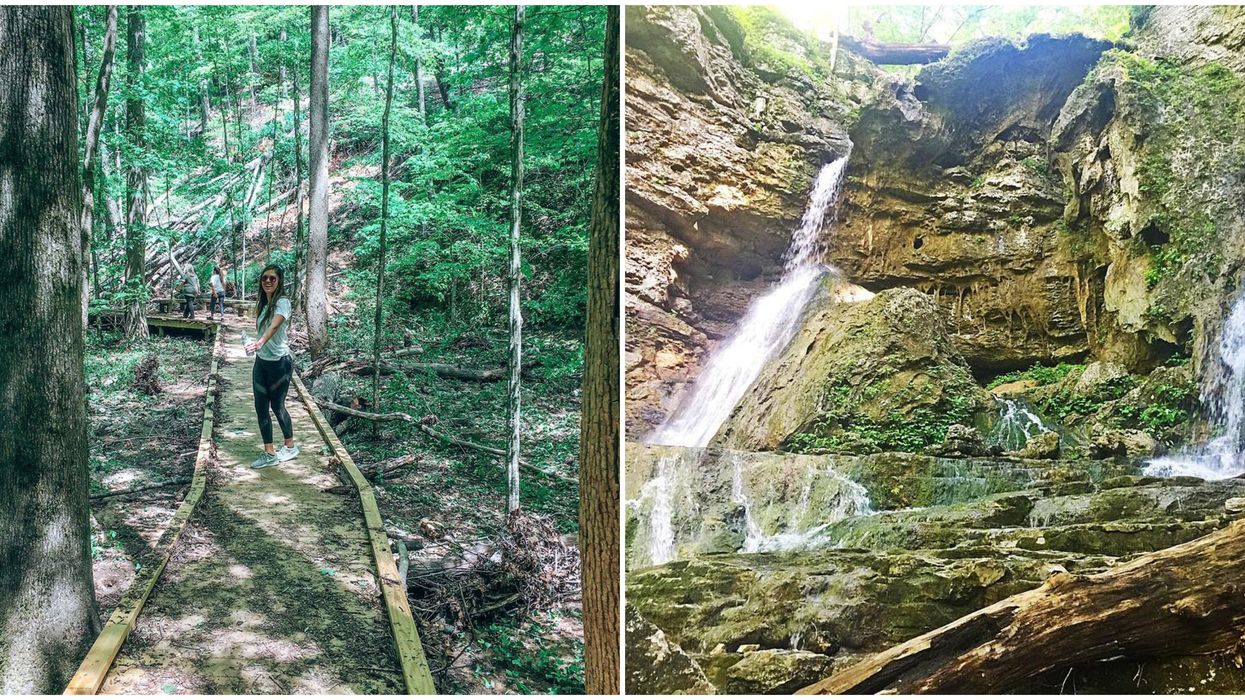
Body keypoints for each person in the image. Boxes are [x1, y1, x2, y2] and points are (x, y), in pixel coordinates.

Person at [244, 264, 299, 468]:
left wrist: (260, 342)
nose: (268, 281)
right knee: (260, 407)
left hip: (280, 363)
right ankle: (269, 453)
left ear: (279, 281)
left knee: (277, 406)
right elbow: (262, 330)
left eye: (272, 278)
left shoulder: (282, 302)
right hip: (261, 361)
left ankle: (290, 446)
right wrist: (253, 343)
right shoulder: (263, 304)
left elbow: (275, 326)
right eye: (265, 278)